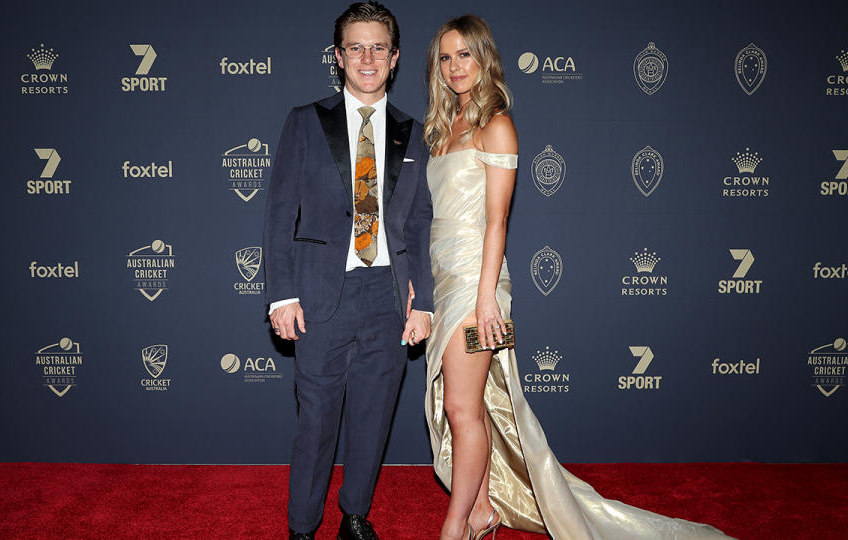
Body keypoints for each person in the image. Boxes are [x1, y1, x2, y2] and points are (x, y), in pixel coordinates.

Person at [422, 15, 735, 540]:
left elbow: (497, 220)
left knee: (460, 406)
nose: (456, 67)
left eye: (465, 55)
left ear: (484, 58)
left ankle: (457, 526)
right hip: (443, 276)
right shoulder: (442, 127)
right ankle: (479, 512)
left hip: (478, 284)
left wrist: (486, 298)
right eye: (447, 57)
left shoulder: (497, 123)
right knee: (466, 407)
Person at [263, 2, 434, 539]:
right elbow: (277, 212)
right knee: (315, 422)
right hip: (318, 296)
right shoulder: (305, 122)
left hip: (388, 297)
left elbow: (422, 223)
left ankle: (355, 515)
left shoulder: (415, 131)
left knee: (373, 417)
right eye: (355, 47)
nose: (367, 57)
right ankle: (302, 528)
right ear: (338, 58)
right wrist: (281, 295)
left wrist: (424, 300)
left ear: (395, 57)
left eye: (378, 46)